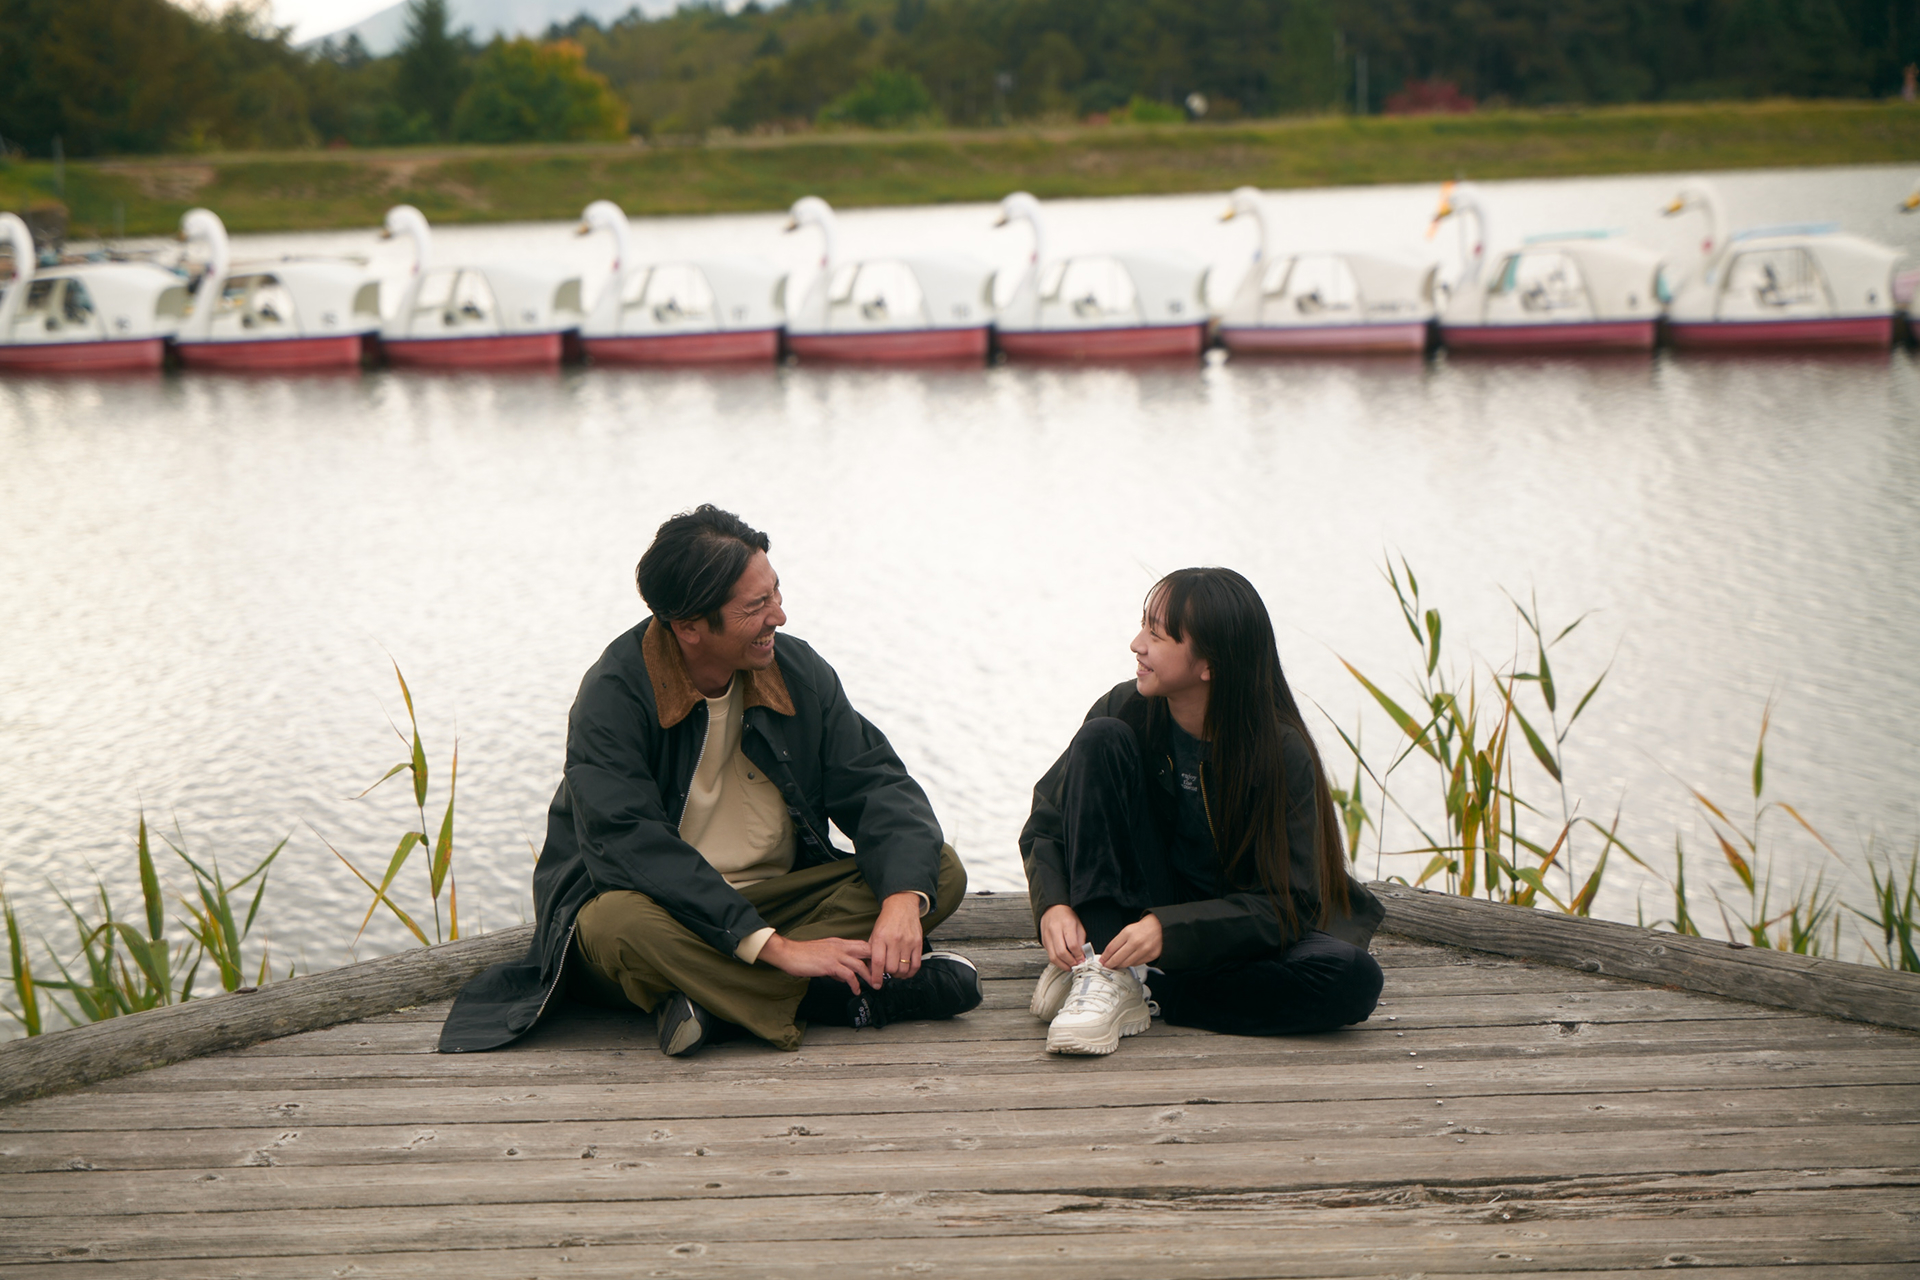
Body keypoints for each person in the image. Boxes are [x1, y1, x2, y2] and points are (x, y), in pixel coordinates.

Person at [439, 505, 979, 1058]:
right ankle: (827, 998)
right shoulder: (613, 695)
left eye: (776, 593)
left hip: (779, 904)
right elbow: (628, 845)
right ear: (690, 626)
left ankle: (711, 1003)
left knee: (932, 868)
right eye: (756, 606)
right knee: (615, 923)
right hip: (662, 912)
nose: (780, 617)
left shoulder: (796, 673)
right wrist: (782, 952)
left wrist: (895, 902)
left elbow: (877, 785)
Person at [1019, 567, 1384, 1055]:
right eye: (1142, 625)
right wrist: (1055, 904)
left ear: (1209, 665)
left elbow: (1287, 904)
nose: (1136, 644)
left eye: (1157, 634)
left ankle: (1146, 987)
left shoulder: (1279, 751)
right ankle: (1105, 967)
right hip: (1137, 909)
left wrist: (1169, 932)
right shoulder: (1123, 708)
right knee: (1100, 738)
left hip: (1235, 932)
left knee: (1350, 979)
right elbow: (1049, 819)